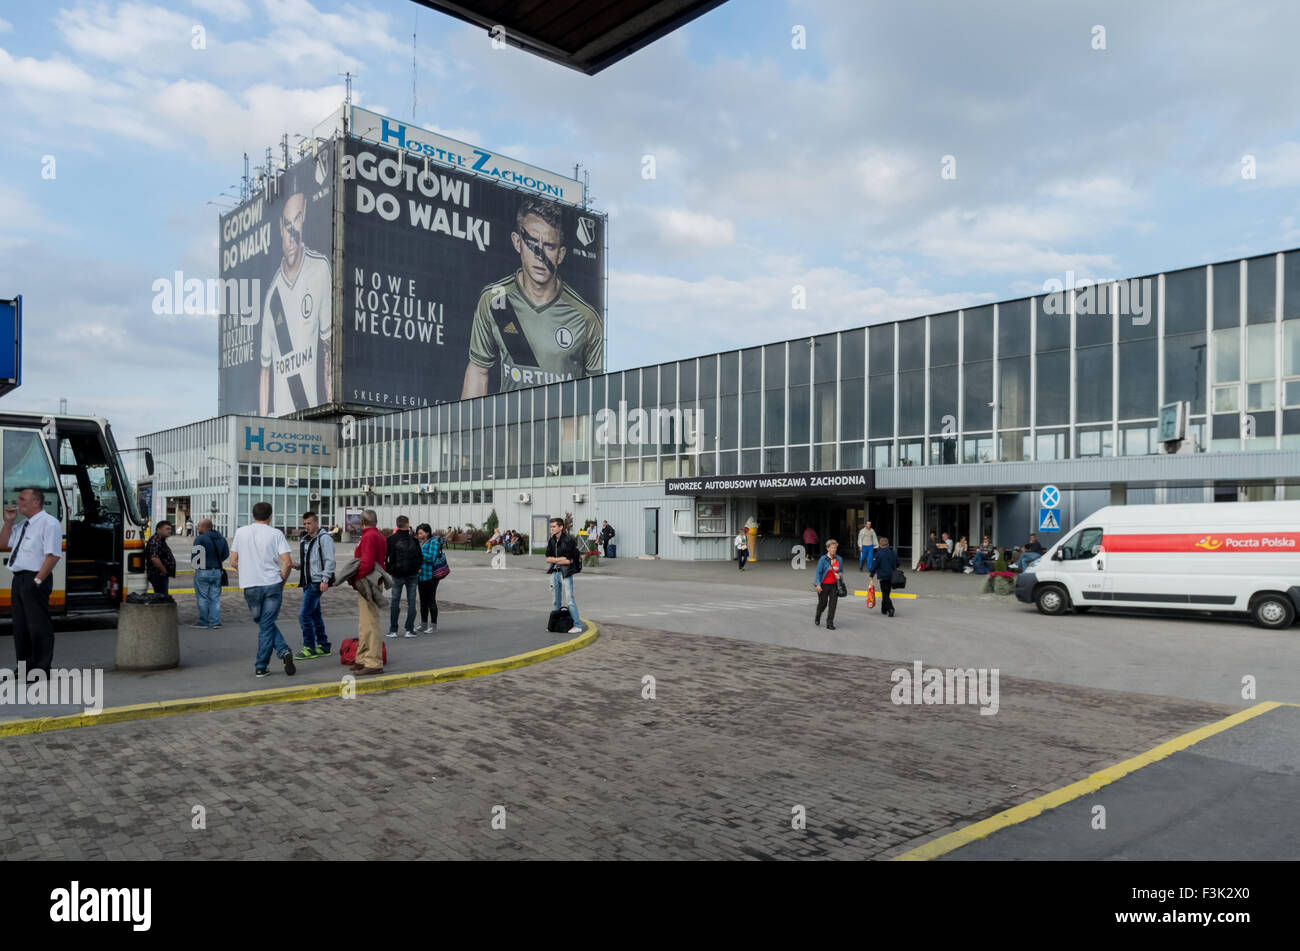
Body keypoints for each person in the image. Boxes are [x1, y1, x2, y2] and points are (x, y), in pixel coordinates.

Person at [462, 196, 603, 398]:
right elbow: (478, 370)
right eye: (531, 243)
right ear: (517, 242)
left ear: (561, 254)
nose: (540, 255)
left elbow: (594, 393)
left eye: (549, 246)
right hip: (510, 427)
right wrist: (464, 429)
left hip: (563, 429)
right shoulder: (495, 300)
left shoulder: (585, 317)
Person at [259, 182, 332, 415]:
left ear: (305, 216)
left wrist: (332, 416)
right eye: (287, 224)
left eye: (297, 221)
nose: (292, 234)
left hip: (312, 423)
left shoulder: (319, 270)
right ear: (281, 226)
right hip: (280, 427)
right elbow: (265, 372)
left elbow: (328, 349)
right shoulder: (272, 297)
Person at [1, 488, 63, 675]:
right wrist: (9, 523)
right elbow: (3, 544)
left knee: (38, 625)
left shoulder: (49, 523)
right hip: (19, 578)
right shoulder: (22, 525)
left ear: (36, 502)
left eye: (22, 498)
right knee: (20, 627)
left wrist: (37, 580)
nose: (17, 502)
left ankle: (41, 669)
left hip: (35, 577)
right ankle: (24, 668)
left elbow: (53, 555)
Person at [230, 501, 295, 678]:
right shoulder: (276, 534)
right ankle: (281, 653)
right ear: (270, 516)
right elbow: (287, 562)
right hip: (273, 583)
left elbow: (233, 561)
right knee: (266, 624)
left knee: (264, 624)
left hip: (251, 585)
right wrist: (283, 578)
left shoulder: (240, 532)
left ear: (253, 515)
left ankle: (262, 665)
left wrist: (248, 570)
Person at [291, 511, 335, 659]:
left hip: (316, 582)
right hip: (307, 582)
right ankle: (324, 645)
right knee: (315, 615)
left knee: (304, 615)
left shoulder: (324, 538)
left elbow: (330, 560)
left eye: (309, 523)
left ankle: (309, 647)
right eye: (304, 524)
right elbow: (307, 561)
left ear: (316, 523)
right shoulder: (305, 539)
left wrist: (325, 579)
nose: (306, 526)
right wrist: (296, 565)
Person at [349, 509, 387, 675]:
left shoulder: (368, 536)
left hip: (367, 582)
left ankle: (373, 661)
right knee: (365, 622)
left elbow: (367, 562)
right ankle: (362, 658)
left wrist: (355, 577)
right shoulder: (379, 536)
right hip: (374, 580)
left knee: (369, 622)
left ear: (362, 522)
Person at [385, 515, 422, 638]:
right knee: (411, 602)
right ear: (407, 524)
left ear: (397, 525)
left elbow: (386, 557)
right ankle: (409, 629)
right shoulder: (414, 540)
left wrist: (390, 569)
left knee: (395, 601)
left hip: (397, 574)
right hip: (412, 574)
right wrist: (416, 569)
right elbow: (420, 557)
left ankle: (393, 630)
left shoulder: (391, 539)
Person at [544, 517, 583, 634]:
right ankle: (556, 625)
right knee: (556, 601)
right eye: (551, 527)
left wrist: (555, 560)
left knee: (570, 599)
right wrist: (559, 559)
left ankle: (577, 625)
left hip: (565, 573)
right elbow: (547, 559)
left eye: (554, 526)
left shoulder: (568, 541)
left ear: (561, 527)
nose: (552, 529)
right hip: (554, 573)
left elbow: (568, 561)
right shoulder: (551, 541)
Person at [191, 518, 229, 629]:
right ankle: (215, 622)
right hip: (217, 571)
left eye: (199, 526)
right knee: (215, 598)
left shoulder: (200, 539)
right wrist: (217, 561)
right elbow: (226, 554)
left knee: (202, 597)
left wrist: (199, 565)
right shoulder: (221, 538)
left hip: (203, 571)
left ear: (204, 527)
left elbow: (195, 557)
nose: (197, 528)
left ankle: (203, 621)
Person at [416, 522, 443, 634]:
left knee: (431, 600)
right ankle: (423, 624)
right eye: (418, 533)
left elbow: (431, 558)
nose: (419, 535)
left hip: (431, 576)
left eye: (421, 533)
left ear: (427, 532)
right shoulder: (423, 542)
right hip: (421, 575)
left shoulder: (433, 542)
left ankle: (433, 624)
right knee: (423, 601)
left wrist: (419, 553)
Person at [814, 539, 844, 630]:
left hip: (834, 585)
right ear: (827, 548)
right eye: (832, 548)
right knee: (823, 604)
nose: (834, 550)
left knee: (833, 604)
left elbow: (841, 571)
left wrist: (839, 575)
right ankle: (818, 615)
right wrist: (818, 584)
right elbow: (818, 573)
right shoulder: (823, 559)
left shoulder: (839, 559)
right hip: (823, 585)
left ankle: (829, 623)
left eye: (835, 548)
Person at [144, 520, 176, 595]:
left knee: (162, 595)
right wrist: (164, 571)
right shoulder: (155, 541)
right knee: (162, 597)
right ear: (158, 530)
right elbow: (154, 558)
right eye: (167, 529)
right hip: (158, 574)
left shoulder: (161, 540)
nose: (170, 531)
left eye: (170, 529)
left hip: (160, 574)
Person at [872, 536, 900, 618]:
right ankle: (883, 609)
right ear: (888, 544)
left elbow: (875, 566)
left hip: (883, 576)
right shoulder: (893, 553)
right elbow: (898, 563)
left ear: (880, 545)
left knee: (885, 594)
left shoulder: (878, 554)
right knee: (887, 592)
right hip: (892, 576)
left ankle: (891, 609)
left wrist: (871, 575)